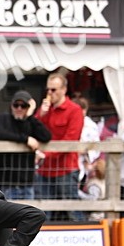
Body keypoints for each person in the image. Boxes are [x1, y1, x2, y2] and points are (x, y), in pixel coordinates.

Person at [34, 73, 84, 220]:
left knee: (72, 211)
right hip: (45, 169)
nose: (50, 93)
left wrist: (45, 154)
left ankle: (81, 231)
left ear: (64, 90)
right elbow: (33, 129)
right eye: (48, 89)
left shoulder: (74, 110)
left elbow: (71, 139)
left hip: (66, 168)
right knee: (43, 213)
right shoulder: (45, 109)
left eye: (54, 90)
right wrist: (41, 114)